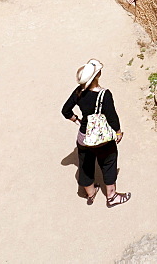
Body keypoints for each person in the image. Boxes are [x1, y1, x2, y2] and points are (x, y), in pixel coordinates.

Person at [62, 59, 130, 207]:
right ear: (97, 76)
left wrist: (77, 121)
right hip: (101, 139)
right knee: (109, 162)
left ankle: (91, 193)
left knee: (85, 165)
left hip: (83, 137)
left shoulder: (78, 91)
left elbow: (65, 110)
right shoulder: (104, 95)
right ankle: (111, 196)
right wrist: (118, 132)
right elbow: (112, 116)